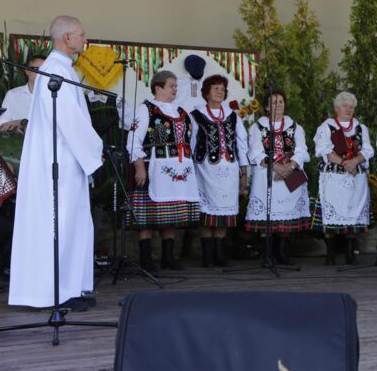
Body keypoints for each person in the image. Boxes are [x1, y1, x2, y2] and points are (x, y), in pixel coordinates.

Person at [8, 15, 103, 311]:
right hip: (58, 160)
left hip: (67, 158)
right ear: (67, 38)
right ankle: (57, 292)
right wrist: (95, 150)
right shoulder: (56, 70)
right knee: (60, 223)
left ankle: (71, 287)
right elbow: (69, 120)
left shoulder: (62, 67)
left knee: (72, 222)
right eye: (81, 34)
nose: (85, 39)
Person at [128, 70, 200, 273]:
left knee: (171, 214)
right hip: (152, 169)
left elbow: (191, 142)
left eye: (176, 86)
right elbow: (133, 140)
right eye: (171, 86)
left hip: (179, 173)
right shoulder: (146, 109)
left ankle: (168, 258)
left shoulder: (182, 112)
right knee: (147, 217)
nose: (175, 89)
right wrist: (139, 167)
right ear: (158, 88)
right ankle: (146, 259)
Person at [245, 90, 311, 263]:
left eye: (281, 101)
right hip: (266, 175)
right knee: (267, 214)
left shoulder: (295, 126)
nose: (278, 105)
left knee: (286, 214)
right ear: (267, 107)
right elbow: (255, 152)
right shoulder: (258, 127)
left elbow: (302, 150)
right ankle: (268, 252)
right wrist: (276, 167)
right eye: (274, 102)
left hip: (290, 174)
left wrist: (290, 166)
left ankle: (282, 252)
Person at [189, 75, 248, 268]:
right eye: (215, 88)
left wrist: (244, 172)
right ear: (206, 92)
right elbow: (191, 142)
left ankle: (219, 254)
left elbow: (241, 144)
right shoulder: (196, 115)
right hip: (205, 169)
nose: (219, 92)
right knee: (207, 213)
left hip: (229, 170)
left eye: (222, 89)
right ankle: (207, 255)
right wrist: (190, 169)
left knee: (224, 212)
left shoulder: (233, 116)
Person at [313, 92, 373, 265]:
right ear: (336, 108)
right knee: (331, 214)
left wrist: (354, 161)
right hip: (333, 178)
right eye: (345, 106)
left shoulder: (360, 127)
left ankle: (350, 253)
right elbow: (323, 149)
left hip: (356, 179)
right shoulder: (327, 126)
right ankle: (330, 254)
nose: (348, 109)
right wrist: (345, 163)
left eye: (351, 106)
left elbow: (367, 150)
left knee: (353, 213)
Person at [0, 54, 46, 133]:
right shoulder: (12, 94)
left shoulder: (55, 96)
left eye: (44, 70)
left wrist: (23, 123)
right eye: (37, 69)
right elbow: (2, 124)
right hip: (17, 139)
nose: (41, 73)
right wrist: (16, 126)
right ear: (27, 71)